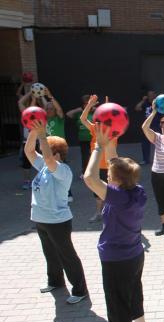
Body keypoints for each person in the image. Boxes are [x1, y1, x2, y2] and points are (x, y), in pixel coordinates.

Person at [83, 124, 153, 322]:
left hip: (116, 260)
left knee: (120, 308)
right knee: (134, 294)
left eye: (110, 173)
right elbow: (116, 163)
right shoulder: (137, 191)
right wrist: (109, 137)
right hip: (134, 256)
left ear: (115, 180)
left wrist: (97, 146)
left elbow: (89, 179)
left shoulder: (117, 198)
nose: (107, 173)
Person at [24, 119, 88, 304]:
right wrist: (34, 132)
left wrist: (43, 135)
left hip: (58, 221)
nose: (43, 155)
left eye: (47, 151)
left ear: (57, 154)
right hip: (41, 218)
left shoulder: (62, 170)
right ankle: (56, 281)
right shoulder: (44, 167)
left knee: (67, 256)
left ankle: (80, 290)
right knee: (49, 253)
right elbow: (29, 151)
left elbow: (49, 160)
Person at [79, 95, 119, 223]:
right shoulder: (95, 129)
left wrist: (108, 110)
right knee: (97, 193)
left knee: (112, 191)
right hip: (97, 166)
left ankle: (113, 214)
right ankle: (99, 214)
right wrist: (90, 105)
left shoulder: (113, 131)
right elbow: (83, 118)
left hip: (110, 166)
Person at [142, 99, 164, 235]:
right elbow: (144, 128)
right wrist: (154, 112)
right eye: (163, 127)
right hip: (157, 175)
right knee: (161, 200)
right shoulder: (157, 138)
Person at [66, 94, 95, 177]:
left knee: (95, 155)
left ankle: (95, 172)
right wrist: (81, 109)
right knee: (85, 156)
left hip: (94, 139)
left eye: (88, 103)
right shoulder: (79, 113)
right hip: (83, 139)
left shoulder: (95, 112)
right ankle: (84, 172)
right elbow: (68, 114)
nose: (87, 105)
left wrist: (93, 107)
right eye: (85, 104)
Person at [135, 90, 161, 165]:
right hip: (147, 127)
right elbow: (137, 108)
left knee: (159, 143)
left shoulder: (158, 103)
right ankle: (146, 159)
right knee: (145, 143)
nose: (151, 96)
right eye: (149, 95)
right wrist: (143, 100)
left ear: (155, 95)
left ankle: (160, 159)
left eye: (152, 95)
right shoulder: (145, 103)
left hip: (157, 126)